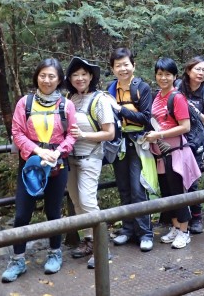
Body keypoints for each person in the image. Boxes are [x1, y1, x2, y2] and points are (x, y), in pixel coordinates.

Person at [2, 58, 77, 283]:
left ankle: (55, 253)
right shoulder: (24, 103)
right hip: (30, 167)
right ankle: (17, 260)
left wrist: (58, 151)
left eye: (51, 76)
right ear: (36, 77)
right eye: (43, 75)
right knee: (22, 214)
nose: (47, 80)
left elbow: (72, 134)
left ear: (59, 80)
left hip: (57, 165)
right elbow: (17, 132)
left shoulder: (66, 105)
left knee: (53, 212)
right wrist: (36, 151)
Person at [145, 57, 201, 249]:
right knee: (167, 193)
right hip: (160, 152)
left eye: (168, 74)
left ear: (175, 76)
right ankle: (176, 227)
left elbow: (185, 126)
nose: (163, 78)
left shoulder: (177, 97)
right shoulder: (157, 96)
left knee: (178, 193)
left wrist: (159, 133)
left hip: (175, 151)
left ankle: (185, 232)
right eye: (160, 74)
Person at [65, 57, 115, 268]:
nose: (80, 78)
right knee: (77, 202)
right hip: (70, 159)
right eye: (75, 74)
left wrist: (83, 135)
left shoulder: (100, 99)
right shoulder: (70, 98)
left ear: (91, 76)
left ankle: (102, 247)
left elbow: (109, 133)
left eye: (84, 74)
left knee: (88, 201)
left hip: (90, 157)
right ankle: (88, 240)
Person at [107, 48, 156, 252]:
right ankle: (128, 230)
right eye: (118, 65)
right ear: (112, 69)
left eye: (126, 64)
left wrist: (121, 110)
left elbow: (146, 117)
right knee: (124, 188)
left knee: (138, 188)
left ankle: (145, 233)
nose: (123, 68)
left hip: (138, 142)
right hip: (119, 143)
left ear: (133, 66)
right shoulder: (111, 89)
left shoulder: (142, 88)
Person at [177, 56, 204, 234]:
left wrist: (193, 108)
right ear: (188, 70)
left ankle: (196, 217)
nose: (200, 73)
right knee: (176, 181)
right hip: (177, 139)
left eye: (203, 70)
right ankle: (179, 218)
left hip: (196, 142)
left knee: (192, 181)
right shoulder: (178, 88)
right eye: (197, 69)